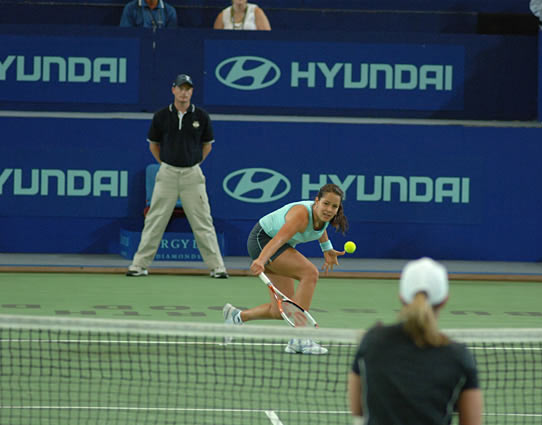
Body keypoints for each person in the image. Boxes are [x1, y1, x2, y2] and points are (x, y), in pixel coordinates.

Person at [348, 258, 483, 425]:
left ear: (402, 297)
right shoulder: (459, 356)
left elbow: (357, 409)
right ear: (444, 300)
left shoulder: (372, 342)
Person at [222, 183, 348, 354]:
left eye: (334, 206)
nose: (329, 209)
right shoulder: (300, 215)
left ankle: (236, 316)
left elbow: (320, 230)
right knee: (309, 273)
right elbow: (279, 239)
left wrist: (327, 249)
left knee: (280, 310)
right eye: (326, 204)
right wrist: (261, 260)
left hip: (277, 246)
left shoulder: (324, 217)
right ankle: (299, 337)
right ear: (316, 201)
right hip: (264, 241)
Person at [126, 74, 228, 279]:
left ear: (192, 91)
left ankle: (217, 267)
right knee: (155, 220)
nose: (184, 92)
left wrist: (194, 162)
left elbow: (207, 145)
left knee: (203, 221)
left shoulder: (201, 116)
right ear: (173, 90)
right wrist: (165, 164)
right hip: (167, 174)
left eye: (188, 88)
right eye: (181, 88)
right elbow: (153, 144)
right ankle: (139, 265)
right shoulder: (161, 116)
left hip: (192, 175)